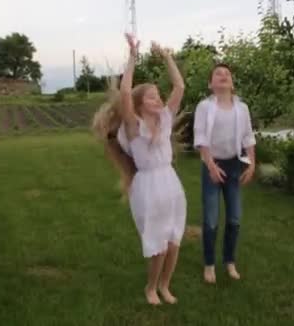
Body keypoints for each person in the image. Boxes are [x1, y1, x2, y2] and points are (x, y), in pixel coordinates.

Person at [92, 34, 186, 305]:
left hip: (170, 182)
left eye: (159, 95)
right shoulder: (134, 127)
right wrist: (133, 55)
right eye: (153, 97)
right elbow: (124, 92)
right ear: (141, 103)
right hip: (148, 187)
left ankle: (166, 286)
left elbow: (179, 86)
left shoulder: (165, 120)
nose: (159, 100)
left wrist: (167, 56)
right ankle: (151, 288)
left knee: (173, 240)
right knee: (157, 243)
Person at [193, 63, 256, 284]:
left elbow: (248, 137)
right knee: (210, 220)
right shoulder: (204, 107)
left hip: (234, 166)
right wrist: (210, 165)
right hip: (212, 165)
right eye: (218, 74)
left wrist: (252, 164)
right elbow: (201, 138)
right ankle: (209, 264)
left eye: (227, 74)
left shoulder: (242, 108)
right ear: (211, 84)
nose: (223, 76)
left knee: (235, 219)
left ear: (232, 83)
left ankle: (229, 261)